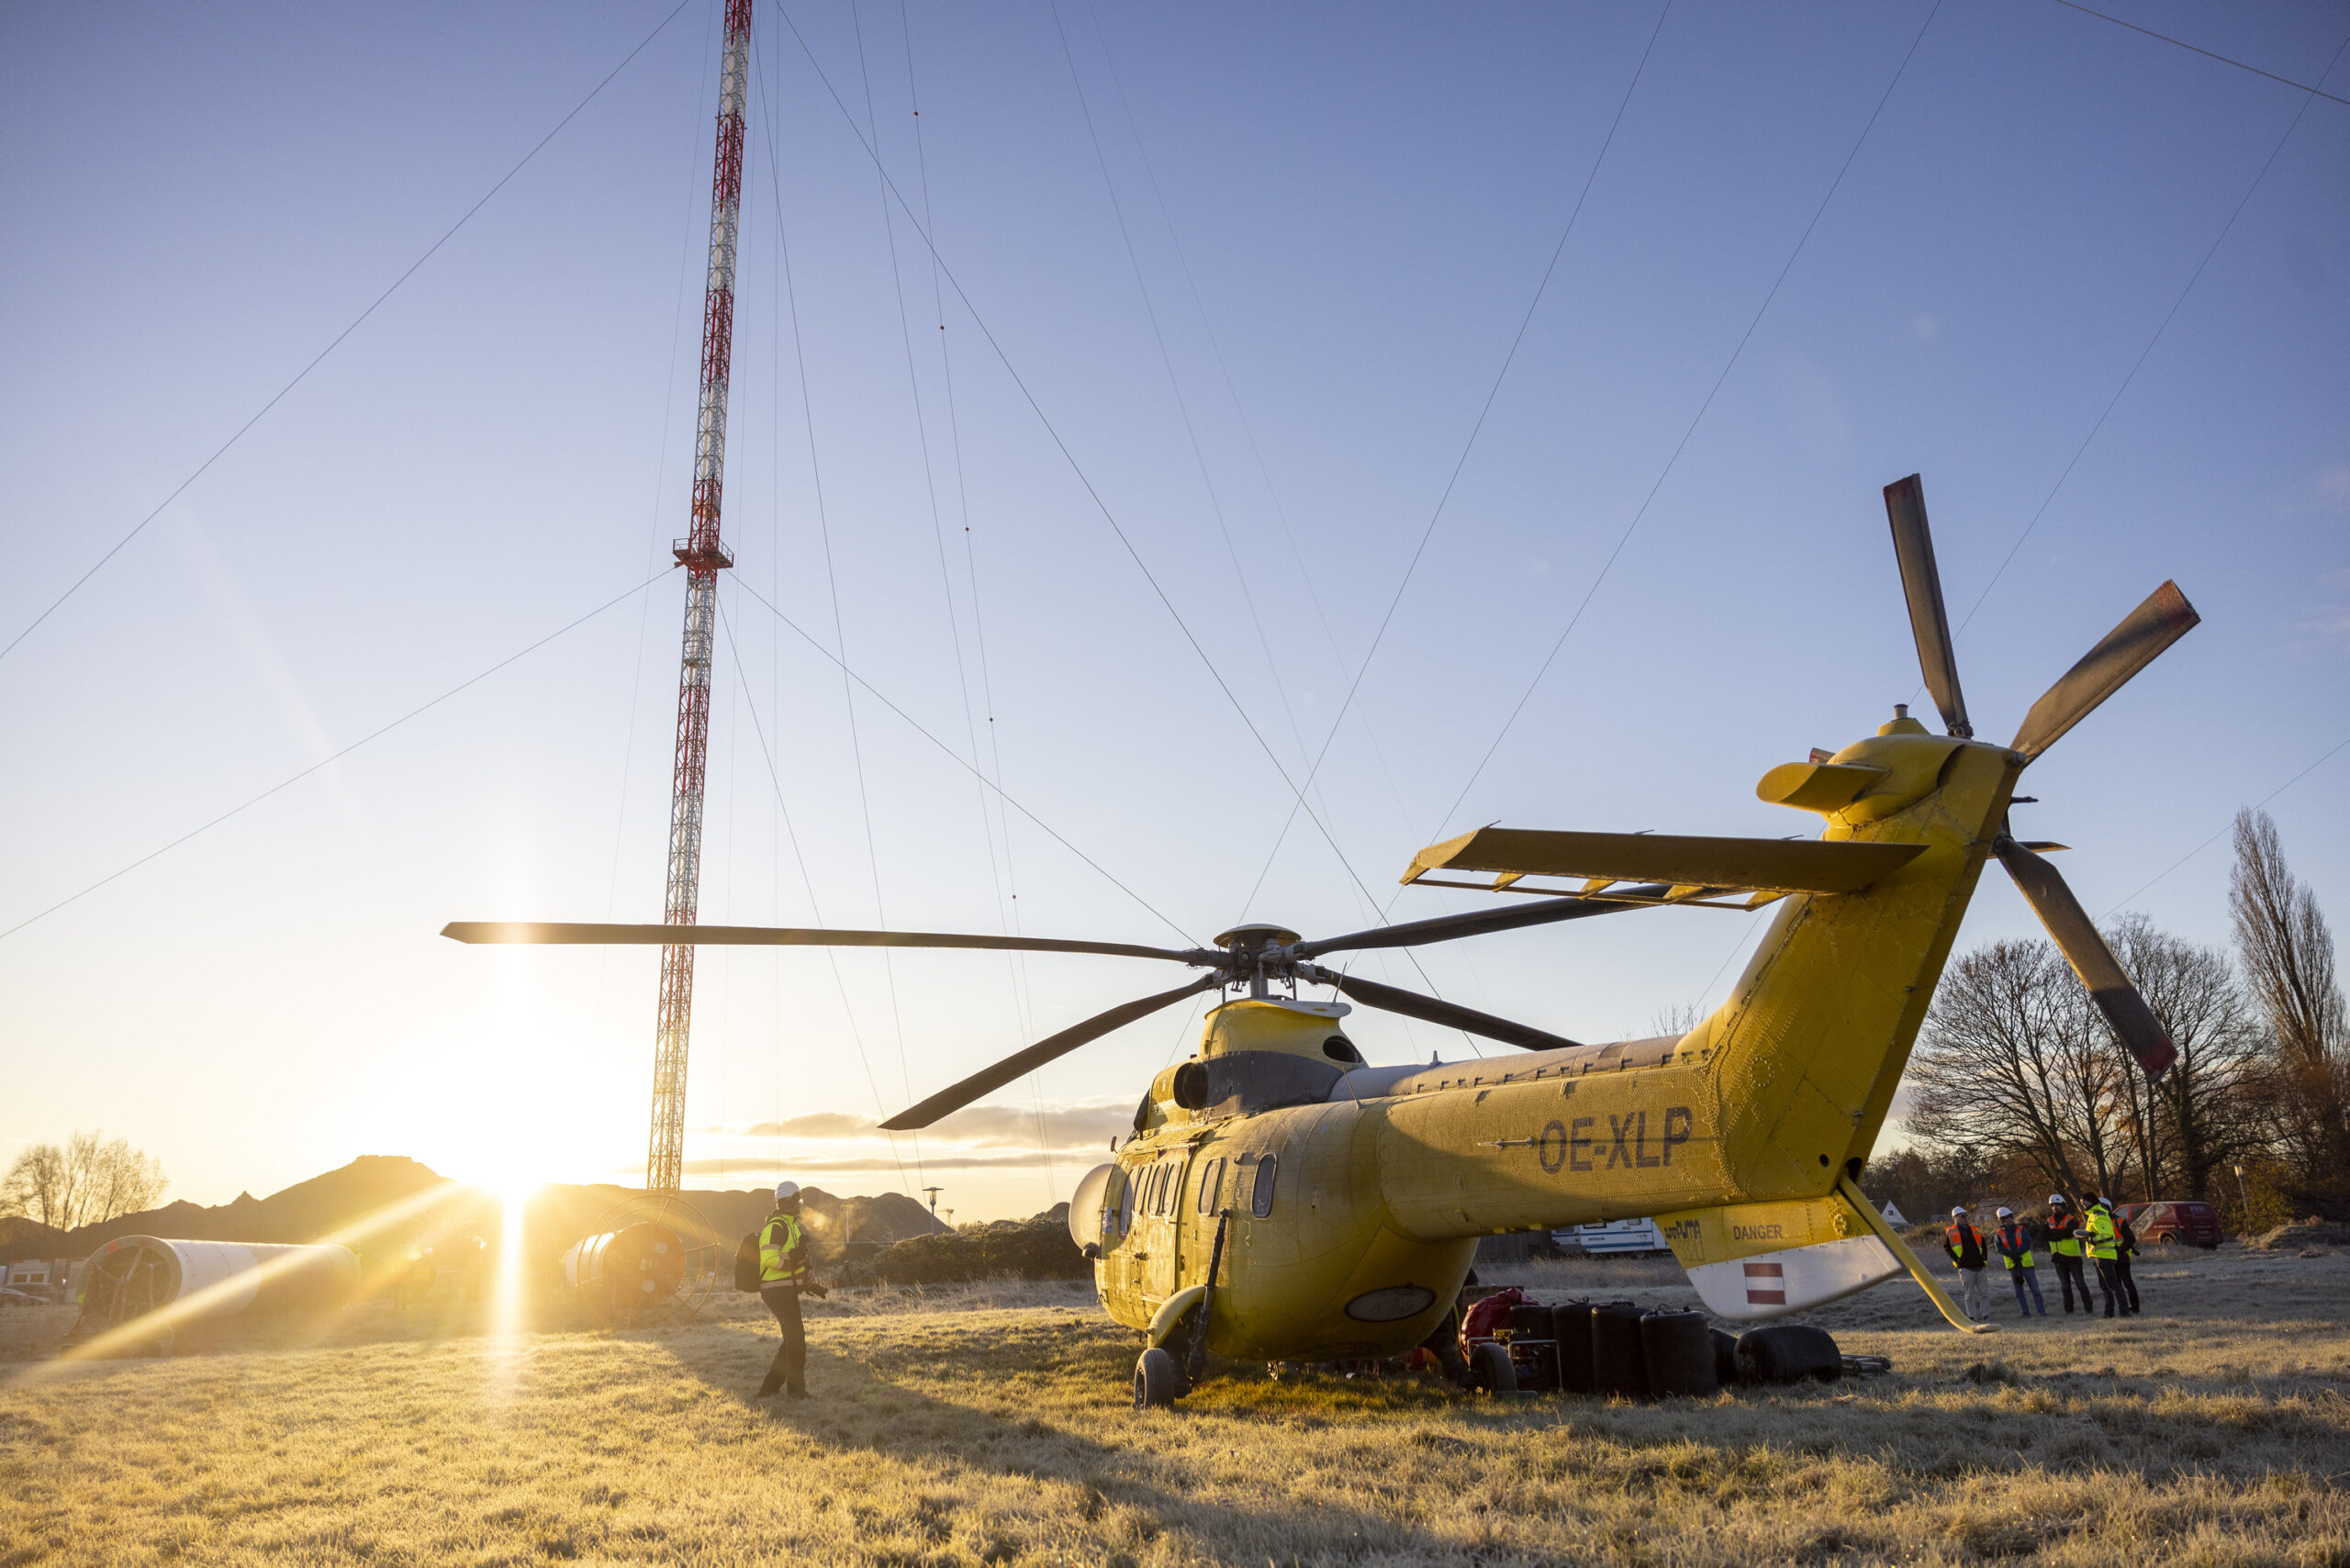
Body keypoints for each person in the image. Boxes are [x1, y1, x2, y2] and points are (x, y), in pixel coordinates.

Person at [754, 1181, 827, 1399]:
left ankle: (769, 1388)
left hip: (786, 1290)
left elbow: (797, 1260)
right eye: (798, 1200)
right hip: (775, 1291)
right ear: (789, 1201)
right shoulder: (777, 1227)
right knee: (796, 1339)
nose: (800, 1205)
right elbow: (769, 1259)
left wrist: (811, 1283)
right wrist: (792, 1266)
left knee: (791, 1340)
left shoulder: (791, 1226)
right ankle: (796, 1391)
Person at [1993, 1205, 2045, 1317]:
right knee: (2019, 1292)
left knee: (2035, 1290)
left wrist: (2017, 1253)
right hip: (2013, 1266)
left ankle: (2041, 1312)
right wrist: (2011, 1254)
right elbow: (1999, 1247)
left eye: (2011, 1217)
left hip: (2026, 1264)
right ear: (2002, 1220)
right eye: (2006, 1218)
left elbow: (2027, 1243)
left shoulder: (2021, 1229)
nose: (2010, 1219)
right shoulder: (1998, 1233)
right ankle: (2026, 1313)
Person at [2043, 1194, 2090, 1316]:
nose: (2055, 1207)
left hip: (2073, 1257)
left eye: (2057, 1205)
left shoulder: (2072, 1219)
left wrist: (2054, 1233)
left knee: (2080, 1284)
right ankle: (2068, 1310)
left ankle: (2088, 1308)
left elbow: (2069, 1233)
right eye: (2053, 1205)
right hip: (2058, 1258)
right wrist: (2060, 1233)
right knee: (2065, 1286)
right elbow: (2045, 1236)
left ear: (2063, 1205)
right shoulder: (2049, 1220)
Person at [1944, 1204, 1989, 1321]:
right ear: (1955, 1218)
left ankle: (1985, 1315)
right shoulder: (1951, 1232)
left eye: (1966, 1216)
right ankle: (1971, 1316)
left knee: (1984, 1293)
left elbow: (1983, 1246)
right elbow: (1947, 1248)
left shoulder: (1975, 1230)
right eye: (1963, 1216)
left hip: (1979, 1266)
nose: (1966, 1218)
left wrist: (1984, 1259)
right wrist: (1958, 1260)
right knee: (1969, 1295)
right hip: (1965, 1268)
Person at [2083, 1193, 2122, 1320]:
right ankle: (2109, 1313)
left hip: (2104, 1255)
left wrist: (2092, 1239)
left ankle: (2123, 1311)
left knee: (2112, 1285)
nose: (2083, 1205)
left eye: (2085, 1203)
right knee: (2105, 1286)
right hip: (2098, 1255)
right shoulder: (2092, 1215)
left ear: (2092, 1202)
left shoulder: (2099, 1215)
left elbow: (2107, 1234)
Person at [2113, 1205, 2143, 1316]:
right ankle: (2124, 1307)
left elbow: (2131, 1239)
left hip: (2122, 1257)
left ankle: (2135, 1307)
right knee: (2117, 1285)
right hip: (2109, 1257)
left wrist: (2120, 1251)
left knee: (2127, 1283)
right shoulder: (2101, 1222)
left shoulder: (2119, 1221)